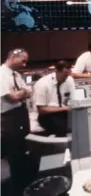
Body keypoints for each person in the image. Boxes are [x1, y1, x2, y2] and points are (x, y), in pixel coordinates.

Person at [0, 49, 34, 193]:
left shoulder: (17, 75)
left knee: (23, 149)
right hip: (9, 117)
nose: (25, 64)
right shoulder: (1, 74)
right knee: (15, 152)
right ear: (13, 57)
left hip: (20, 114)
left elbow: (29, 90)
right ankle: (16, 187)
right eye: (23, 60)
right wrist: (23, 93)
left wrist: (21, 93)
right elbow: (11, 98)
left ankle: (25, 180)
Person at [33, 61, 75, 136]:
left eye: (68, 74)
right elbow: (42, 110)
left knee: (80, 123)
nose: (66, 78)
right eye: (65, 75)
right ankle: (62, 146)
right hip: (47, 115)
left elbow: (73, 100)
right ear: (57, 71)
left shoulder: (69, 80)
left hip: (64, 112)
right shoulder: (42, 84)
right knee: (61, 126)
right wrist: (64, 108)